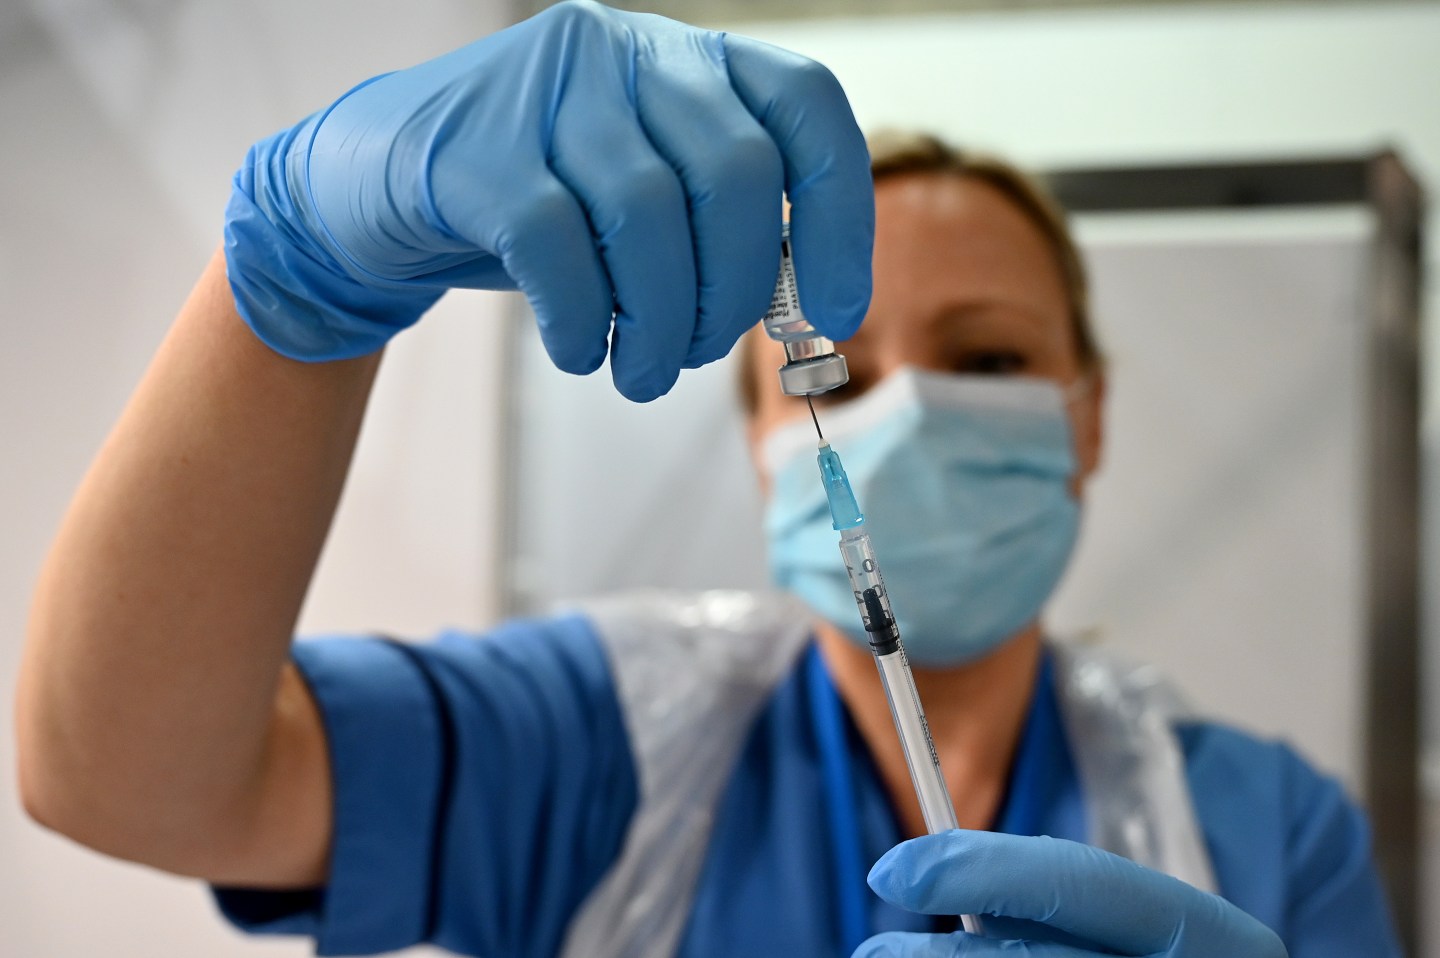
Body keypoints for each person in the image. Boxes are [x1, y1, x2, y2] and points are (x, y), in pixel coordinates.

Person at [15, 3, 1401, 957]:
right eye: (833, 377)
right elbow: (117, 780)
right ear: (759, 436)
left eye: (983, 354)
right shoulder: (597, 735)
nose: (903, 412)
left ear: (1086, 415)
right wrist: (293, 285)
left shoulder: (1270, 827)